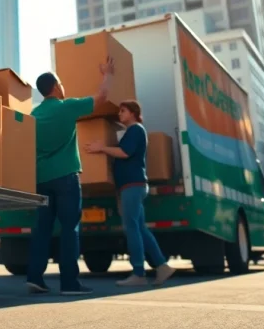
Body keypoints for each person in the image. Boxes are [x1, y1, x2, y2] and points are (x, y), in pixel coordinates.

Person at [26, 57, 114, 296]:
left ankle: (35, 278)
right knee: (69, 228)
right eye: (61, 83)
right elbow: (102, 97)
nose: (64, 87)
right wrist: (106, 74)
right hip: (65, 177)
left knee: (42, 229)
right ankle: (69, 283)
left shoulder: (33, 116)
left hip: (41, 180)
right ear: (55, 86)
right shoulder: (67, 107)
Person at [85, 100, 175, 287]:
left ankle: (138, 273)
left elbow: (125, 153)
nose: (120, 114)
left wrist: (101, 148)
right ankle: (162, 266)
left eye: (123, 111)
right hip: (131, 186)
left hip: (133, 185)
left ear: (133, 113)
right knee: (140, 227)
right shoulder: (131, 132)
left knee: (131, 227)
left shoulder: (136, 130)